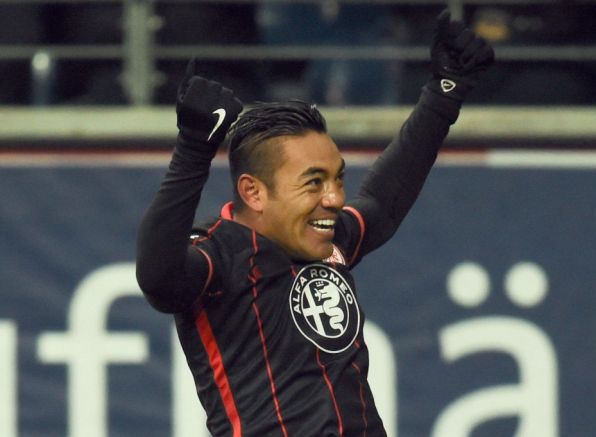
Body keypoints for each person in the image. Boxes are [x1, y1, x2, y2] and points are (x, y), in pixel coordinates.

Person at [136, 9, 493, 437]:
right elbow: (158, 278)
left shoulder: (328, 239)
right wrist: (194, 150)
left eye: (337, 179)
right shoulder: (218, 255)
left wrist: (444, 91)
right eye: (313, 182)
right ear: (254, 192)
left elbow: (382, 202)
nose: (335, 198)